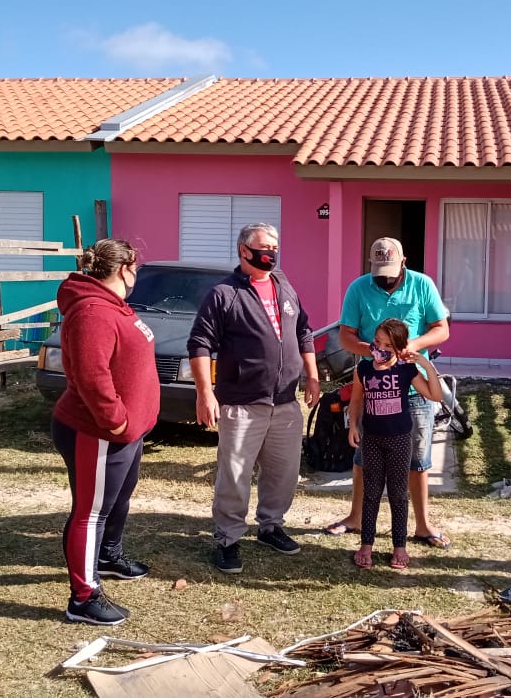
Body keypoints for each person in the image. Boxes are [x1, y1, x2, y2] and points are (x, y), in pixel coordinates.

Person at [188, 222, 321, 574]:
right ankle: (228, 538)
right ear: (244, 251)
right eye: (265, 247)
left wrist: (312, 374)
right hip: (241, 404)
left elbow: (304, 331)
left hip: (285, 402)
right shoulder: (224, 294)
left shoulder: (284, 285)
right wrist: (205, 392)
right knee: (234, 475)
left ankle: (271, 525)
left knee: (285, 472)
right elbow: (200, 344)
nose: (272, 253)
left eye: (275, 246)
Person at [51, 238, 159, 626]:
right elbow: (92, 377)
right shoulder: (92, 312)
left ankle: (108, 557)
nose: (137, 275)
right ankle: (83, 597)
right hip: (95, 431)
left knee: (117, 502)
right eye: (136, 268)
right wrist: (116, 421)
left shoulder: (114, 306)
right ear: (124, 268)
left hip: (127, 431)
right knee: (90, 512)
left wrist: (135, 422)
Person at [323, 237, 452, 549]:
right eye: (379, 272)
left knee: (418, 458)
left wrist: (413, 347)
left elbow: (442, 329)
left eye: (390, 272)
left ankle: (422, 525)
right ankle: (355, 518)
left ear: (404, 262)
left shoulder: (422, 285)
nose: (385, 278)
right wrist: (373, 350)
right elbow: (346, 336)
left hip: (414, 387)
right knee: (364, 456)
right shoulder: (358, 288)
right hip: (373, 388)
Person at [348, 318, 443, 570]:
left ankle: (399, 546)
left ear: (399, 348)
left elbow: (435, 395)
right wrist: (352, 427)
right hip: (372, 439)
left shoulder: (406, 370)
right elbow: (356, 401)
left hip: (400, 439)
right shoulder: (364, 370)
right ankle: (366, 544)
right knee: (371, 492)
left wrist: (424, 363)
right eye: (377, 342)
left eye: (387, 345)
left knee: (399, 494)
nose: (380, 348)